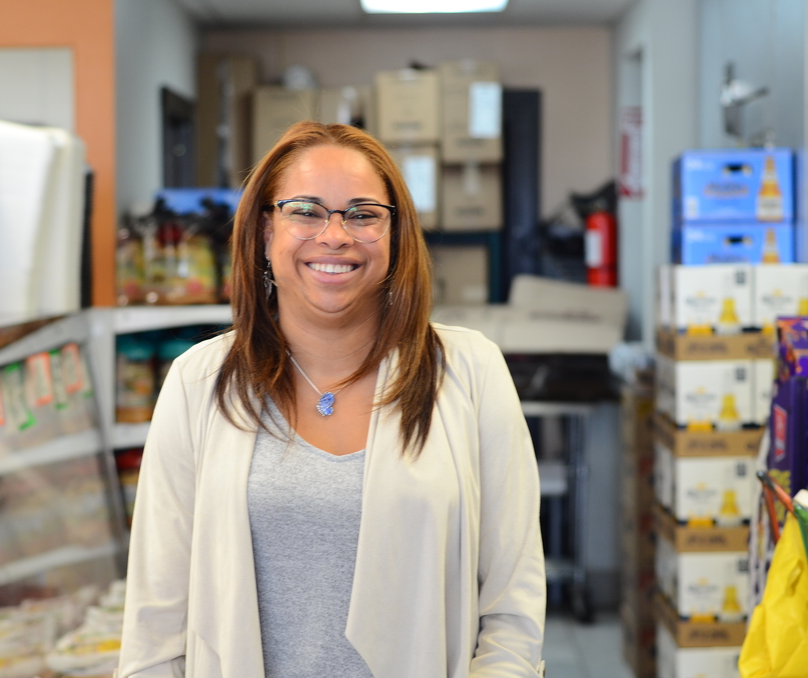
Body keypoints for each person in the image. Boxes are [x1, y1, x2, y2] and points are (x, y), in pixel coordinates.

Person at [117, 121, 545, 678]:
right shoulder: (199, 382)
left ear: (395, 236)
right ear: (266, 230)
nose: (335, 235)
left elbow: (512, 607)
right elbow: (155, 623)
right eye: (306, 211)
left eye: (364, 214)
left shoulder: (470, 372)